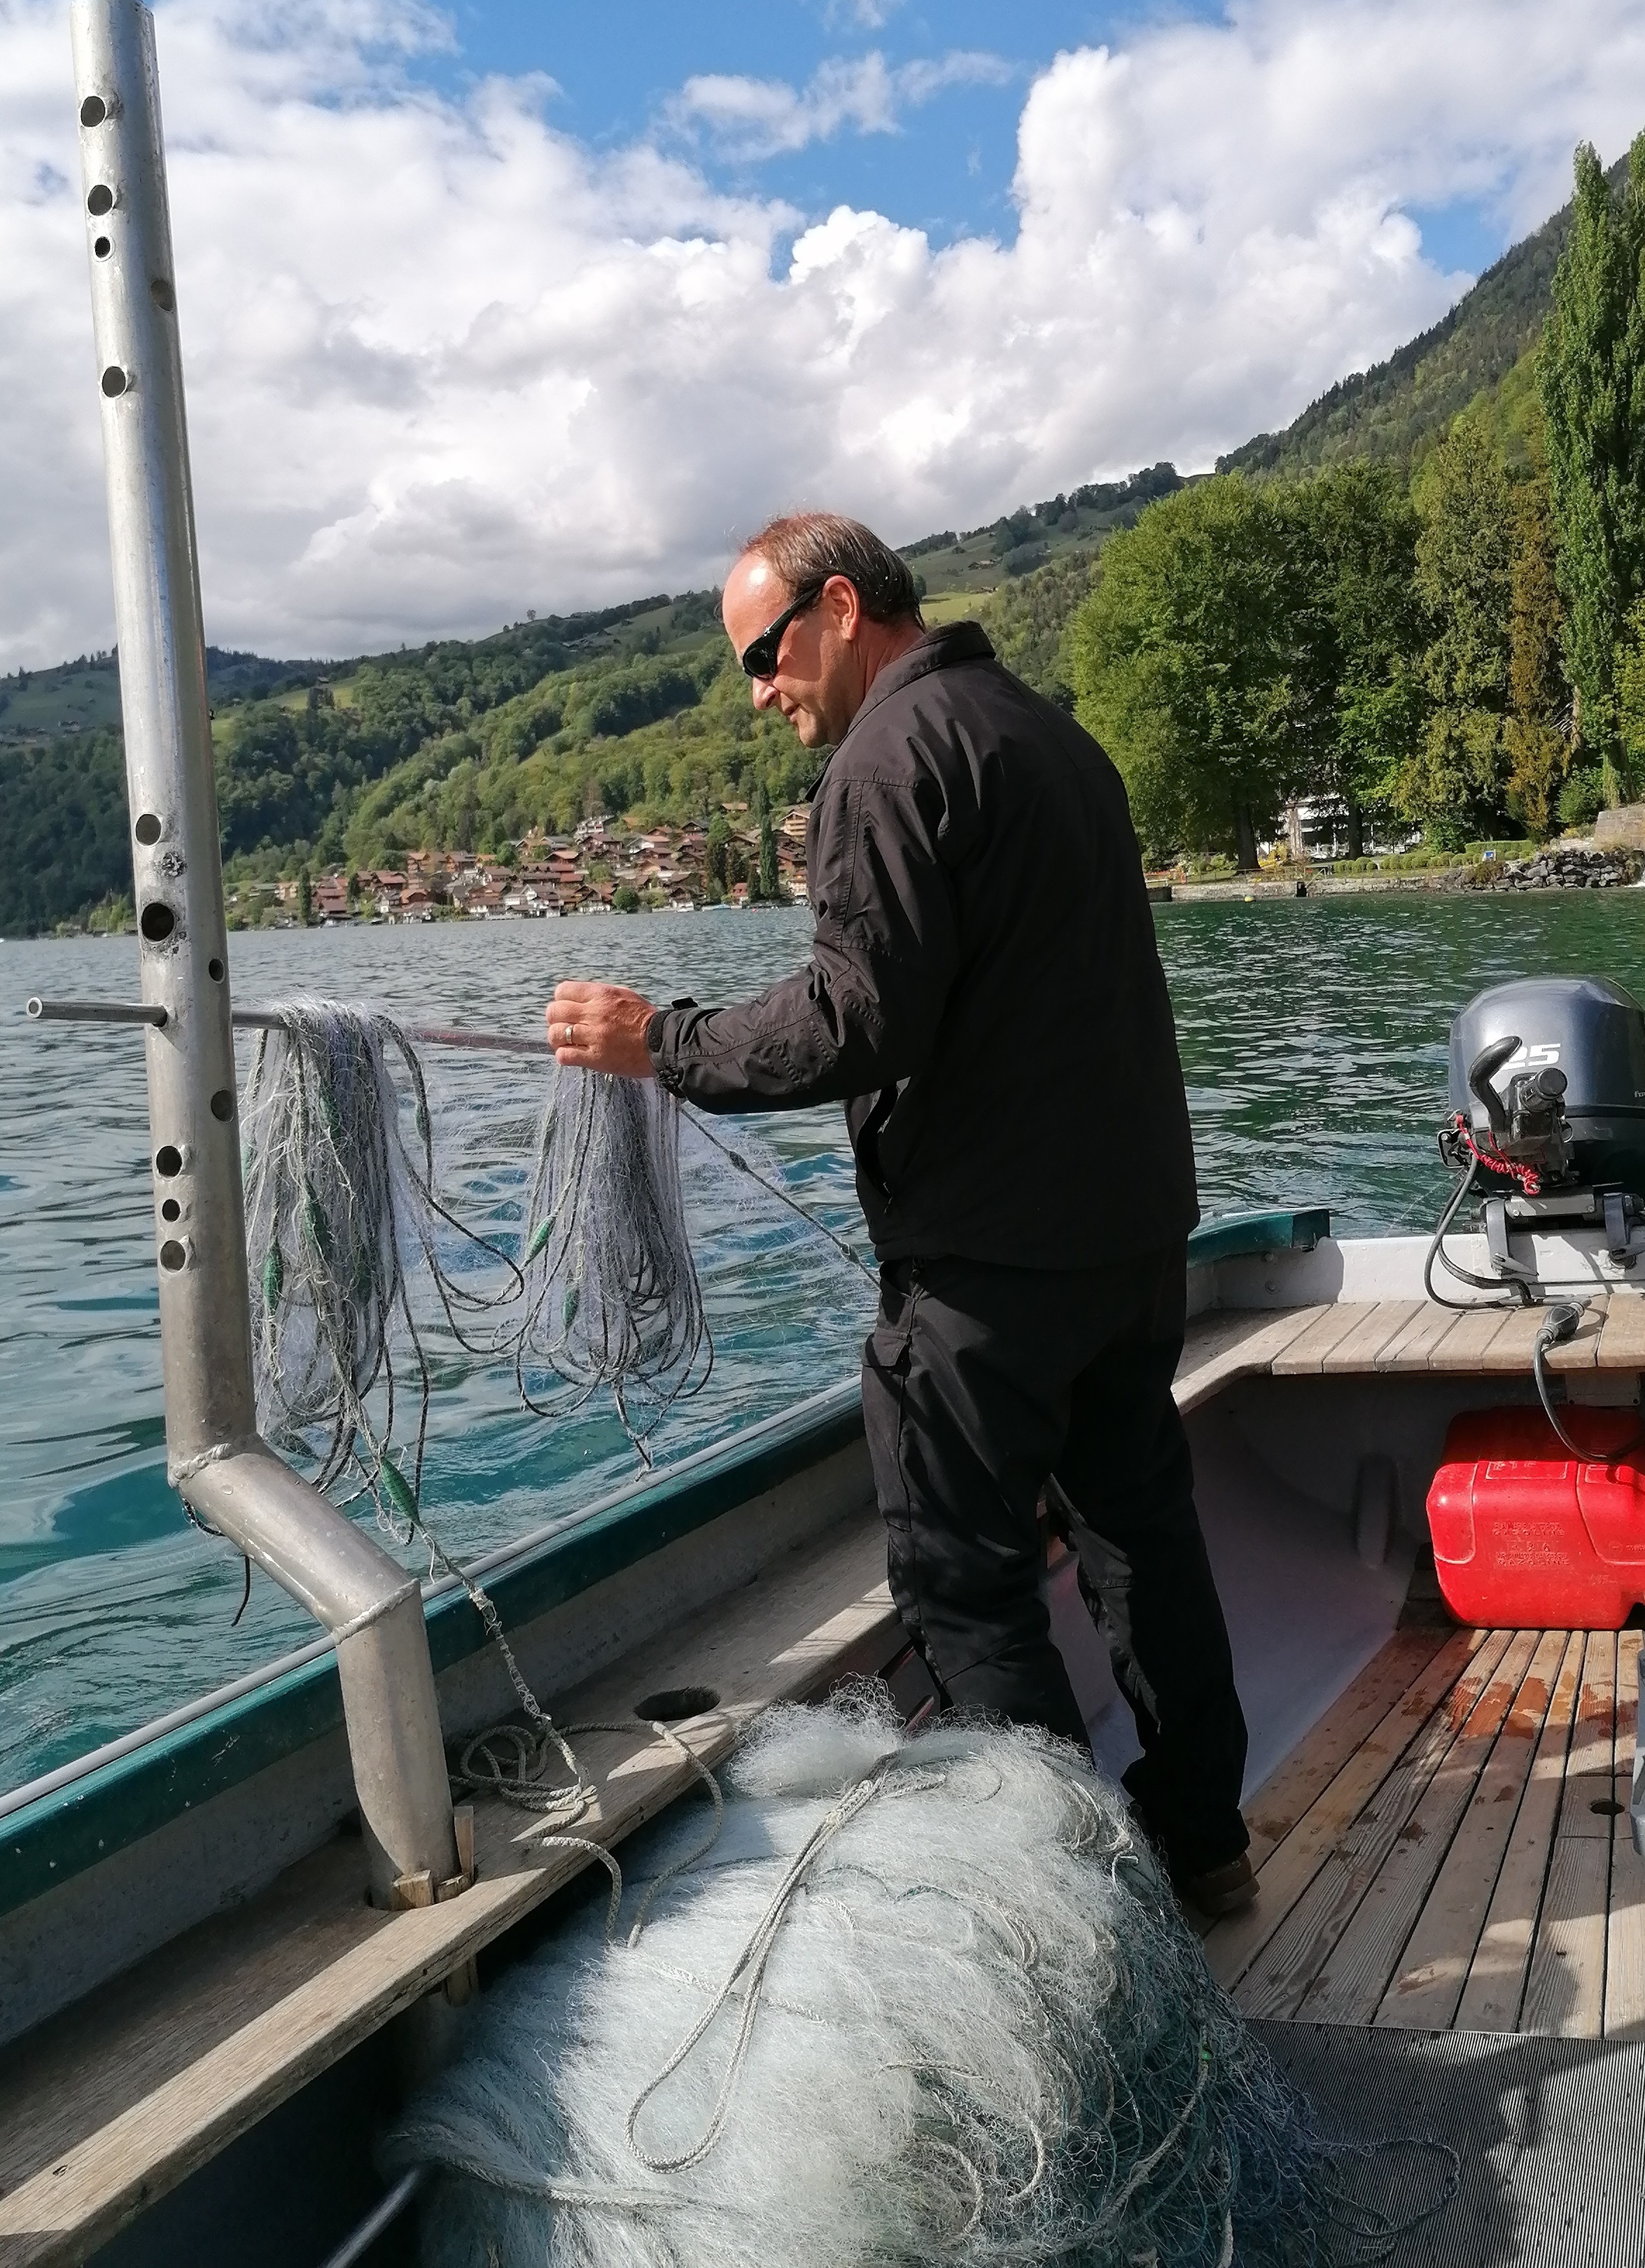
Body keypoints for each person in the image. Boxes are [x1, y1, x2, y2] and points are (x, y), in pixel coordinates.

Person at [544, 512, 1255, 1915]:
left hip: (990, 1267)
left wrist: (661, 1042)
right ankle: (1201, 1849)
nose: (760, 694)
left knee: (961, 1584)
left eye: (764, 655)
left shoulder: (886, 758)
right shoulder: (1050, 738)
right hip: (1131, 1238)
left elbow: (852, 1021)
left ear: (840, 605)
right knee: (1139, 1546)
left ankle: (1071, 1910)